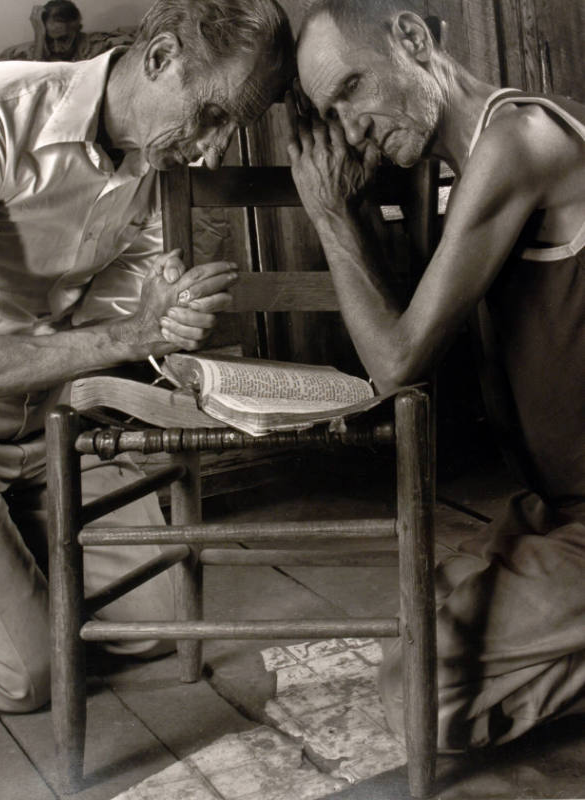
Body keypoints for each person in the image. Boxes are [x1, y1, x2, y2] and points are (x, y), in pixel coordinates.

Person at [0, 0, 294, 713]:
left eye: (232, 127)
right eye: (210, 114)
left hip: (49, 423)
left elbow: (119, 318)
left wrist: (161, 315)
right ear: (160, 57)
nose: (212, 150)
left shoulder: (153, 152)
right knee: (29, 679)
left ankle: (10, 557)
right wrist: (134, 336)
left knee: (156, 623)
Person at [286, 0, 584, 751]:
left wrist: (329, 217)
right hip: (559, 508)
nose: (350, 128)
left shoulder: (518, 141)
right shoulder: (474, 156)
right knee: (428, 608)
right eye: (331, 111)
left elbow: (393, 365)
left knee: (418, 688)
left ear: (412, 40)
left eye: (351, 87)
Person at [0, 1, 136, 63]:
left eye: (63, 39)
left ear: (77, 30)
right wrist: (40, 40)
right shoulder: (16, 54)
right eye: (49, 40)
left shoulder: (103, 47)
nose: (56, 48)